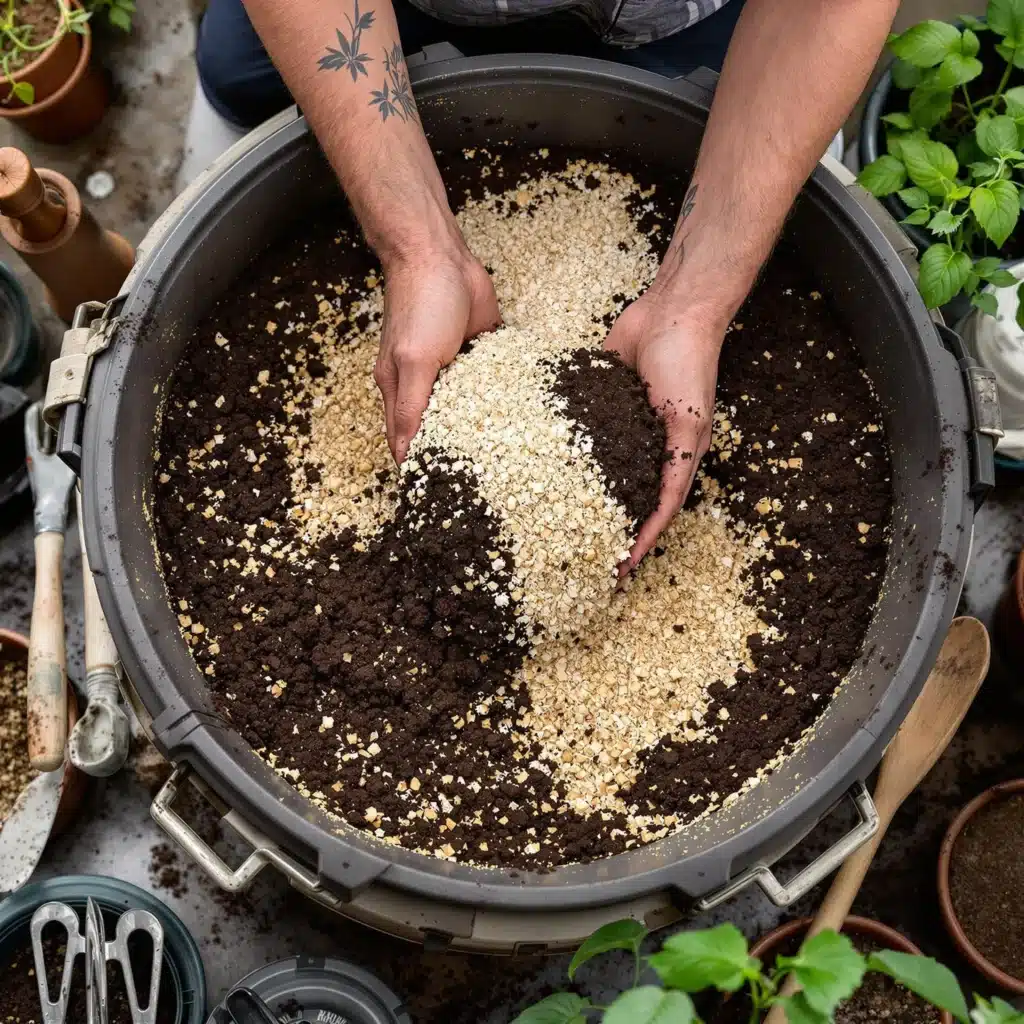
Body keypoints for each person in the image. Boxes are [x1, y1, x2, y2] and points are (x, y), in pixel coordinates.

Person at [193, 0, 899, 568]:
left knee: (799, 154)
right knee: (234, 74)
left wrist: (694, 302)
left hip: (689, 19)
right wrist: (417, 246)